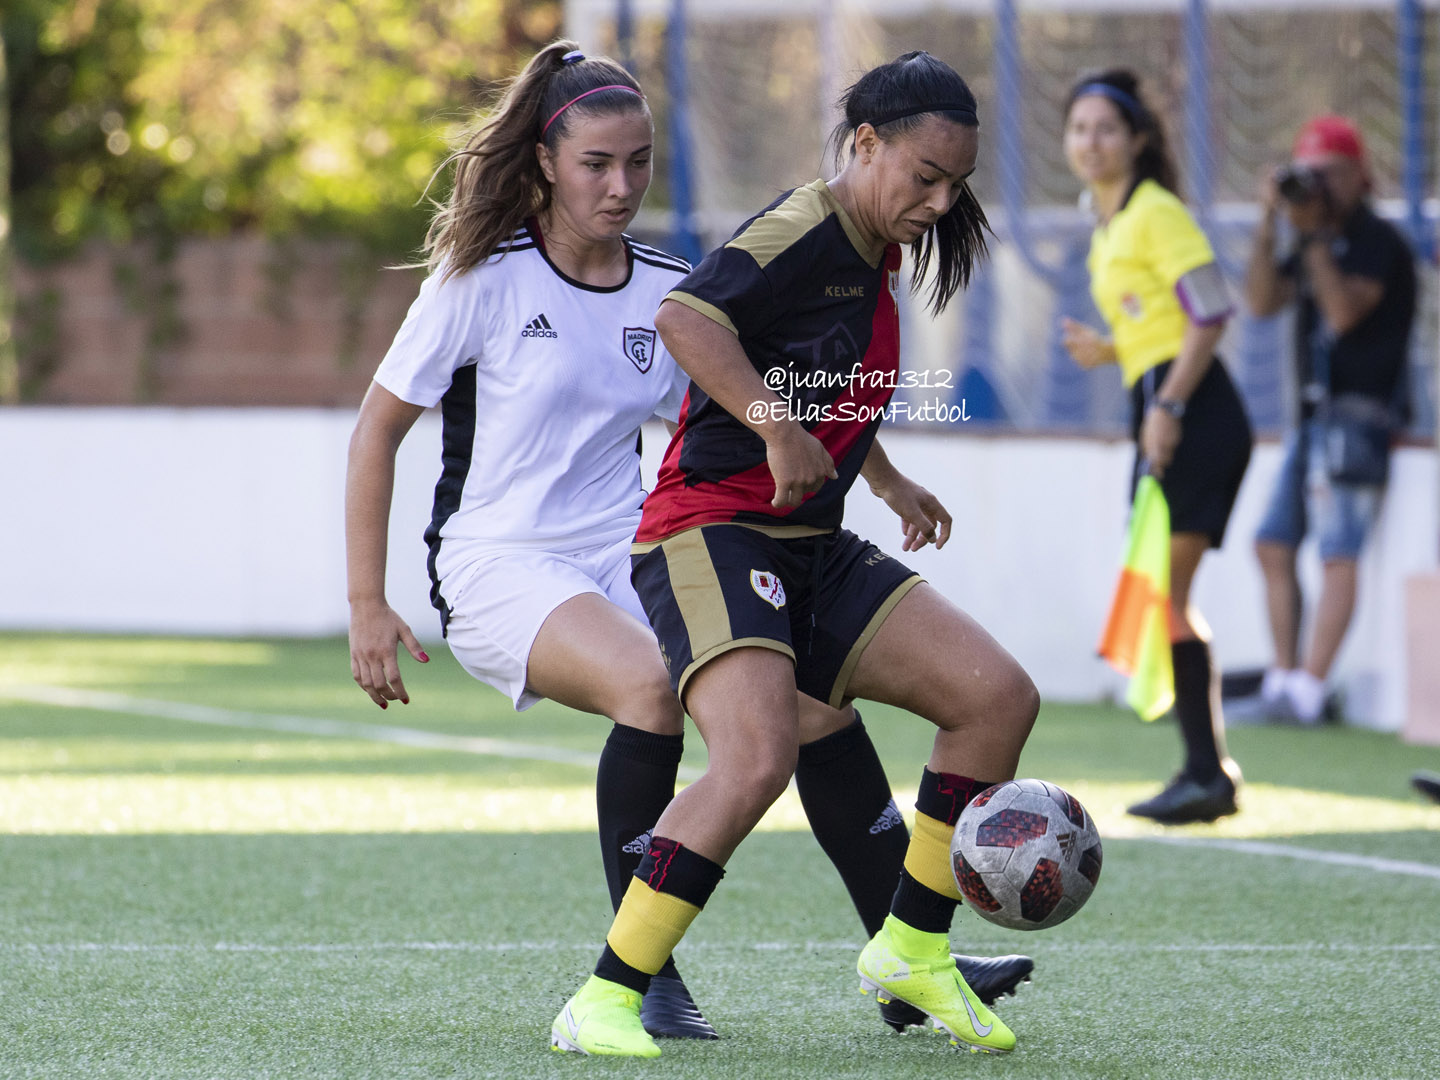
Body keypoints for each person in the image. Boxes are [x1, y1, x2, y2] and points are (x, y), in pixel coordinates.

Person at [344, 42, 1030, 1045]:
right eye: (594, 165)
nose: (620, 187)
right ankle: (640, 973)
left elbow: (772, 407)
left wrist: (879, 477)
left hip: (622, 549)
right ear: (543, 162)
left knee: (812, 710)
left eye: (638, 164)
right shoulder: (479, 283)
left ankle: (907, 955)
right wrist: (368, 601)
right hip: (497, 563)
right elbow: (377, 431)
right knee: (655, 691)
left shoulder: (662, 285)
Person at [550, 51, 1039, 1060]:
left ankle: (913, 946)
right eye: (924, 178)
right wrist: (774, 427)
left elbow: (821, 378)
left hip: (811, 541)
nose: (941, 203)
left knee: (997, 698)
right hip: (708, 532)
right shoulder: (807, 225)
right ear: (865, 145)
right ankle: (606, 994)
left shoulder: (875, 250)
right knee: (759, 756)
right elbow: (687, 318)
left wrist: (887, 478)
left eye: (957, 187)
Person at [1059, 69, 1252, 824]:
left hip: (1195, 412)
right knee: (1165, 595)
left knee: (1168, 594)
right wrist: (1114, 352)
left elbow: (1210, 312)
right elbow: (1160, 324)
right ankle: (1207, 772)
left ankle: (1209, 774)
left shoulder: (1155, 212)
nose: (1090, 142)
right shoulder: (1109, 223)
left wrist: (1168, 404)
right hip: (1162, 405)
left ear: (1138, 139)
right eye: (1079, 128)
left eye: (1106, 128)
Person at [1243, 115, 1417, 725]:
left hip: (1358, 417)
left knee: (1338, 552)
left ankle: (1311, 692)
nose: (1317, 186)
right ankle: (1285, 681)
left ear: (1359, 174)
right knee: (1271, 542)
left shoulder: (1377, 240)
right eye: (1307, 173)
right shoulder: (1307, 235)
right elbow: (1261, 303)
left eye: (1329, 173)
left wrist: (1313, 237)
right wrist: (1271, 220)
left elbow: (1343, 313)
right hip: (1310, 418)